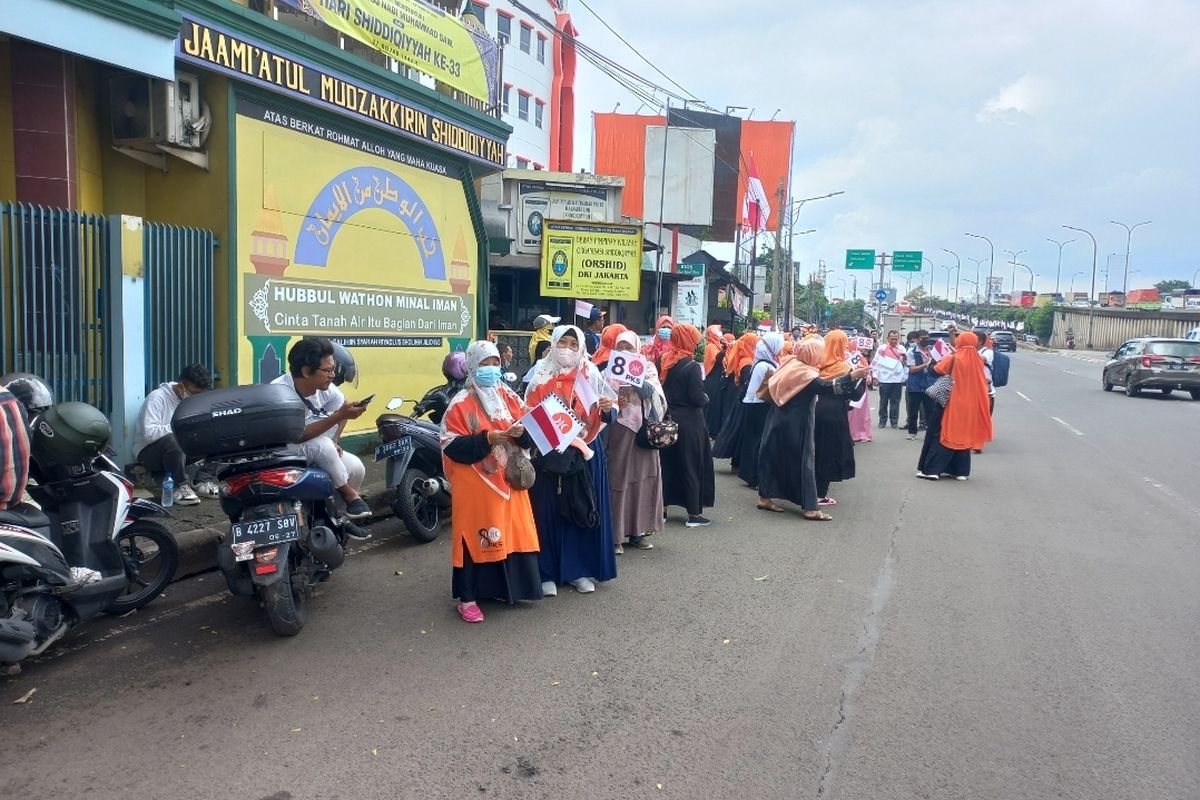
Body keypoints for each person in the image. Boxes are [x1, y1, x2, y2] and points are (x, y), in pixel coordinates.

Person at [440, 341, 543, 623]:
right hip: (477, 482)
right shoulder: (461, 404)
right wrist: (487, 439)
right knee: (476, 536)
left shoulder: (510, 397)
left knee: (511, 533)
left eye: (495, 363)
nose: (491, 370)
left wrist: (521, 434)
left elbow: (532, 436)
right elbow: (450, 444)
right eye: (484, 364)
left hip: (509, 480)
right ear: (472, 366)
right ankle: (468, 597)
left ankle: (504, 588)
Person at [525, 325, 618, 595]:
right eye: (562, 342)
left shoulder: (591, 374)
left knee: (580, 507)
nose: (567, 349)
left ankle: (579, 570)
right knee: (547, 512)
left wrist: (607, 409)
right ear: (552, 344)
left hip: (584, 453)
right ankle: (547, 572)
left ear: (581, 348)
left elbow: (611, 412)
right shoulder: (539, 376)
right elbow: (526, 413)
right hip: (548, 455)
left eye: (573, 344)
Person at [757, 338, 868, 517]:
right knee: (804, 462)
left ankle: (764, 498)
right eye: (818, 352)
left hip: (777, 418)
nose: (821, 356)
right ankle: (811, 508)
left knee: (773, 457)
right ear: (811, 353)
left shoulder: (790, 363)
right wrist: (853, 377)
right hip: (797, 422)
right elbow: (827, 388)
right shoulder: (806, 374)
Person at [272, 338, 371, 527]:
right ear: (306, 371)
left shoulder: (326, 389)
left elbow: (343, 408)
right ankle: (351, 496)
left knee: (356, 467)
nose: (333, 375)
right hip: (283, 449)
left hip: (316, 447)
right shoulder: (280, 392)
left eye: (333, 369)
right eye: (328, 370)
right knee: (322, 445)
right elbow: (297, 435)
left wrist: (335, 439)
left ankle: (339, 518)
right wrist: (337, 418)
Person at [605, 330, 665, 553]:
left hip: (644, 431)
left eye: (629, 347)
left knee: (644, 478)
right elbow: (601, 396)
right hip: (619, 429)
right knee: (618, 478)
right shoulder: (608, 370)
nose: (625, 352)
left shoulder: (647, 366)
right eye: (621, 347)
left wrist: (633, 373)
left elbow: (651, 391)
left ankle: (639, 532)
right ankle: (615, 535)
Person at [658, 324, 716, 527]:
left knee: (668, 464)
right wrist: (706, 397)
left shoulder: (665, 360)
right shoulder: (691, 366)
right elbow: (696, 397)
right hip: (691, 421)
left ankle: (662, 510)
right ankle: (694, 514)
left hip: (669, 418)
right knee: (691, 464)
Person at [917, 331, 993, 481]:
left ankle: (933, 469)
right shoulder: (978, 359)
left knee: (941, 433)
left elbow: (935, 371)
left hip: (951, 402)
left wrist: (935, 359)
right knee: (963, 435)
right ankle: (960, 471)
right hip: (971, 404)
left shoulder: (954, 358)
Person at [133, 364, 213, 506]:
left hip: (181, 451)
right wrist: (178, 427)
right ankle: (179, 486)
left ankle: (201, 481)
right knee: (174, 440)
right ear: (182, 386)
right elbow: (149, 434)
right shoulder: (157, 398)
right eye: (194, 393)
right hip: (150, 453)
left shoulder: (193, 400)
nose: (197, 398)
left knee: (218, 437)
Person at [812, 331, 866, 506]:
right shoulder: (844, 369)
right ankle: (820, 494)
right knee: (827, 453)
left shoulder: (814, 363)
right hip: (834, 414)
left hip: (812, 412)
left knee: (812, 451)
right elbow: (856, 395)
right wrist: (862, 378)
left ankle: (805, 488)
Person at [737, 332, 784, 490]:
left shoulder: (762, 361)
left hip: (755, 404)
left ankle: (750, 474)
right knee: (757, 441)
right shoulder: (766, 365)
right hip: (760, 405)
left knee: (753, 439)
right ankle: (753, 476)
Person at [712, 331, 759, 464]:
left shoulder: (742, 357)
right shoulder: (747, 361)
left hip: (737, 395)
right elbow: (747, 383)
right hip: (742, 399)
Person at [870, 330, 907, 428]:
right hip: (884, 379)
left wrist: (905, 377)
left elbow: (906, 364)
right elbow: (875, 362)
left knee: (895, 401)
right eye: (892, 339)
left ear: (898, 339)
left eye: (896, 339)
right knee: (883, 401)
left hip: (897, 379)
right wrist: (874, 376)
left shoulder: (902, 349)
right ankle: (882, 421)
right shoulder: (882, 349)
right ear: (888, 338)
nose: (894, 341)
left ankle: (894, 421)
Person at [904, 333, 936, 440]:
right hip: (915, 385)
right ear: (917, 340)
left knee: (930, 411)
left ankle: (931, 434)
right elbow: (912, 369)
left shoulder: (933, 351)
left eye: (927, 339)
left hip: (929, 384)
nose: (926, 341)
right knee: (913, 410)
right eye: (923, 339)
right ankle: (912, 432)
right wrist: (926, 364)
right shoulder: (911, 352)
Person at [702, 325, 729, 436]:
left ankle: (714, 430)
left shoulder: (716, 346)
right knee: (712, 405)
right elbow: (717, 359)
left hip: (717, 379)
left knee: (716, 406)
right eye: (717, 333)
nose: (719, 335)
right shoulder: (711, 347)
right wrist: (724, 348)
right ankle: (709, 430)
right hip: (712, 379)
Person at [846, 337, 873, 443]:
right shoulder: (846, 356)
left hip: (859, 388)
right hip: (855, 388)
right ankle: (855, 433)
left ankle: (862, 433)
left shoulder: (860, 358)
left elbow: (868, 371)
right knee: (853, 412)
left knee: (860, 412)